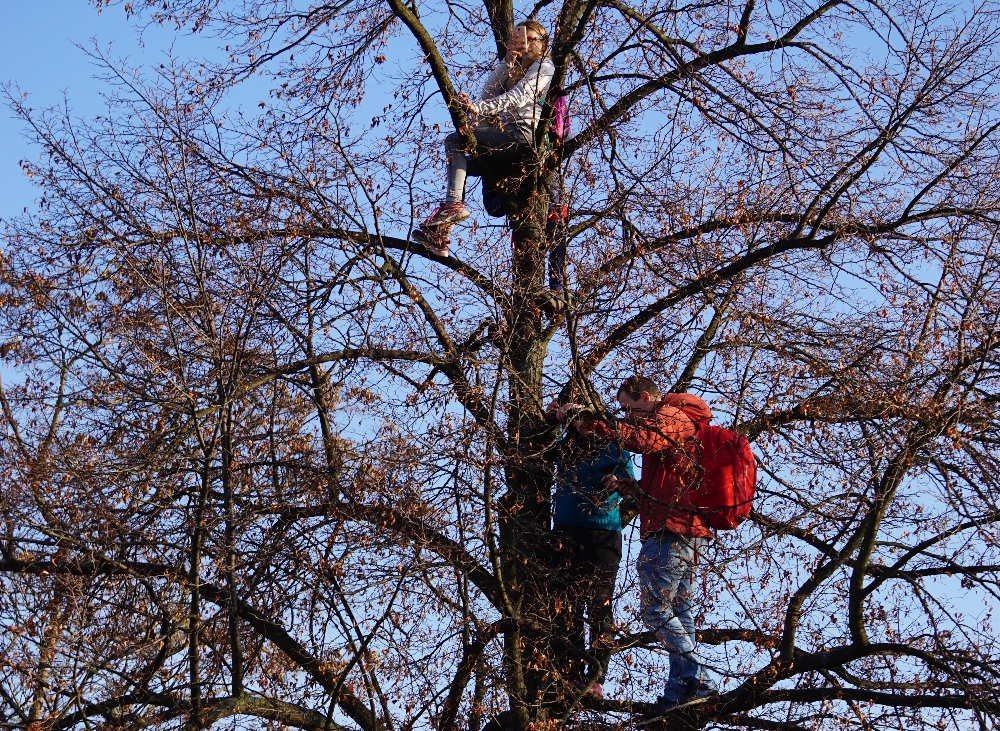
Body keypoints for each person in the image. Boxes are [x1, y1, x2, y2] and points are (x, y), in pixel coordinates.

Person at [573, 377, 720, 709]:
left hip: (671, 531)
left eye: (628, 408)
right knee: (678, 616)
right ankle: (680, 692)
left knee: (656, 612)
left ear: (643, 397)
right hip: (680, 527)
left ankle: (703, 681)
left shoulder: (672, 415)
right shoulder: (679, 419)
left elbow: (643, 440)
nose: (629, 417)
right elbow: (671, 482)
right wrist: (633, 488)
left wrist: (594, 424)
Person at [413, 20, 555, 256]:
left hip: (522, 135)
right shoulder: (515, 67)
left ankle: (453, 206)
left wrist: (478, 109)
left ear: (543, 45)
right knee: (461, 163)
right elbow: (488, 93)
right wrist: (507, 63)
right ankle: (442, 236)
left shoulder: (544, 66)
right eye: (522, 39)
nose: (526, 44)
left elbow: (519, 96)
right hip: (505, 141)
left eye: (532, 40)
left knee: (455, 140)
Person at [546, 400, 636, 700]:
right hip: (565, 531)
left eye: (587, 420)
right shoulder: (567, 442)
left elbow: (633, 486)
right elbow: (543, 448)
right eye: (578, 420)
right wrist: (556, 418)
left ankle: (595, 678)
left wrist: (617, 482)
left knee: (599, 607)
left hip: (603, 534)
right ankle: (568, 676)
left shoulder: (616, 446)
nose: (583, 426)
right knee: (564, 606)